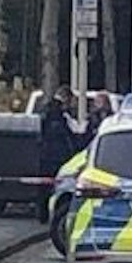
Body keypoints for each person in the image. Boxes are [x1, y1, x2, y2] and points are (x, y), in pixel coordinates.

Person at [37, 87, 81, 222]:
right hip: (58, 156)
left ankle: (42, 214)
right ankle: (54, 215)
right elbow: (66, 134)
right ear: (66, 98)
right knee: (59, 186)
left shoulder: (45, 109)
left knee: (44, 186)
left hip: (45, 154)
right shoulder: (59, 113)